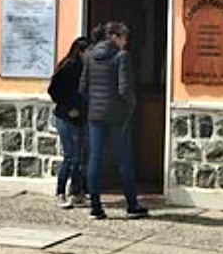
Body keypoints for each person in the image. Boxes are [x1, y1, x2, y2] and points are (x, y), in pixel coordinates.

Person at [79, 20, 148, 220]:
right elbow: (124, 88)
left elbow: (83, 87)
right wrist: (132, 104)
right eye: (124, 38)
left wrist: (94, 104)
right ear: (115, 37)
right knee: (124, 160)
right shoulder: (121, 57)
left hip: (95, 116)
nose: (126, 43)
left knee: (95, 159)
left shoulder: (90, 56)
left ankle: (95, 207)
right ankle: (132, 205)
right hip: (117, 116)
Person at [47, 35, 91, 209]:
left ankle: (78, 192)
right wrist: (68, 107)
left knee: (80, 157)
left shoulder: (85, 68)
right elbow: (54, 90)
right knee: (70, 156)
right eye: (88, 51)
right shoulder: (68, 66)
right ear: (80, 52)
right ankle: (60, 192)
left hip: (81, 117)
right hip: (65, 117)